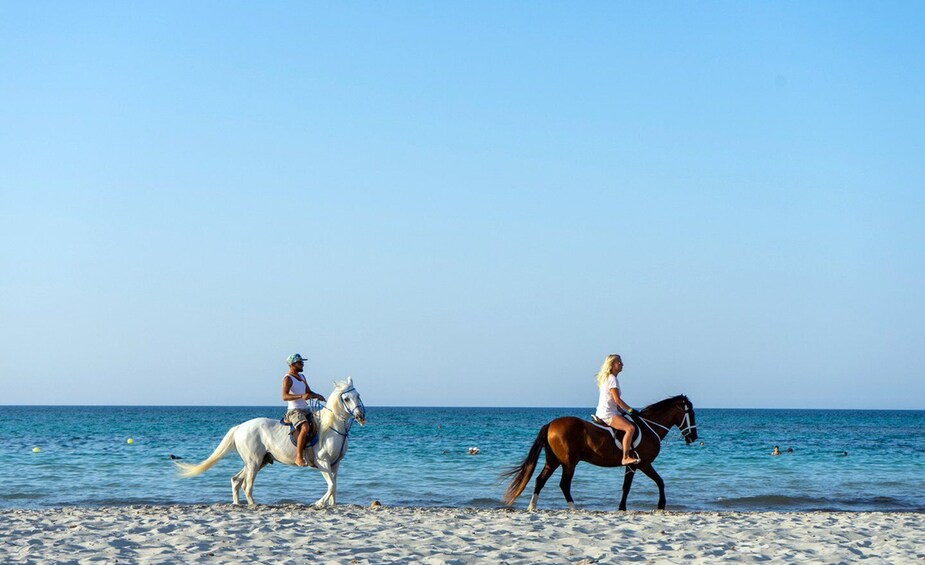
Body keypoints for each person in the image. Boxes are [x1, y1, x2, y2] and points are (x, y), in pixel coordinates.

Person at [594, 354, 640, 466]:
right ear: (612, 365)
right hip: (608, 414)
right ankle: (625, 457)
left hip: (606, 411)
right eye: (619, 362)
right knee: (630, 428)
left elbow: (615, 403)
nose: (622, 364)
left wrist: (624, 412)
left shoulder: (608, 378)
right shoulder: (612, 379)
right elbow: (617, 400)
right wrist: (631, 410)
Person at [282, 353, 326, 467]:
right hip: (294, 410)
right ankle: (298, 457)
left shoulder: (302, 377)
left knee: (321, 424)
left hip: (305, 409)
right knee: (305, 427)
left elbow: (308, 392)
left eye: (302, 362)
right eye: (300, 363)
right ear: (292, 365)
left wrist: (317, 396)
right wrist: (301, 396)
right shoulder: (288, 378)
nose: (303, 365)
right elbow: (284, 396)